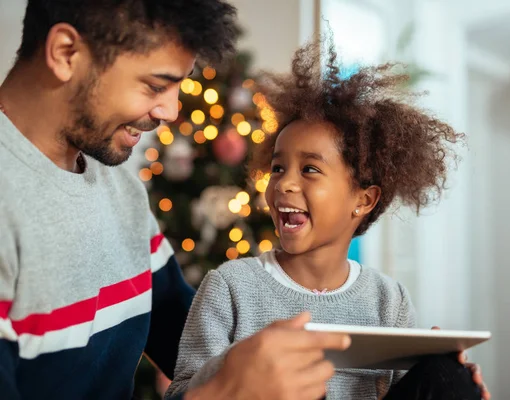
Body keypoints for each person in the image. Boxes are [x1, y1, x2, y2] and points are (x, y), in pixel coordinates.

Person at [0, 2, 351, 399]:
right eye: (155, 85)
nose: (171, 110)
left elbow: (192, 342)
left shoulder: (120, 189)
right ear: (66, 53)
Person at [166, 40, 491, 399]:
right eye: (277, 168)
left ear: (363, 200)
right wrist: (239, 367)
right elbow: (181, 392)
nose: (283, 183)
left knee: (447, 373)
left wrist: (445, 379)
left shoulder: (388, 298)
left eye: (309, 169)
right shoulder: (230, 287)